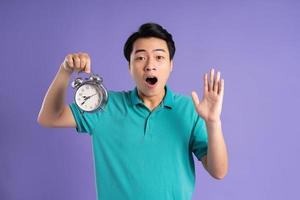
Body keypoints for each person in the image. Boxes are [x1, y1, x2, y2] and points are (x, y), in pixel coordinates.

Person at [37, 23, 228, 200]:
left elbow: (218, 171)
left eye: (159, 57)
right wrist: (65, 71)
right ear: (129, 66)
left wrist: (213, 122)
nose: (150, 65)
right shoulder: (104, 104)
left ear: (171, 65)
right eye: (140, 57)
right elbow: (50, 117)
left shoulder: (189, 109)